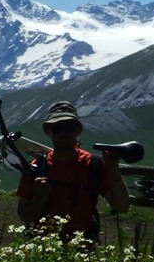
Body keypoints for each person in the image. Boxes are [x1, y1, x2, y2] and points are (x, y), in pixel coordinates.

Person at [16, 100, 130, 242]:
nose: (63, 133)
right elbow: (24, 216)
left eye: (68, 127)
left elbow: (122, 206)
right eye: (57, 128)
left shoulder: (93, 165)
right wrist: (40, 198)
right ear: (48, 132)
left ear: (77, 130)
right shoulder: (35, 169)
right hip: (45, 248)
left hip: (82, 245)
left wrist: (114, 170)